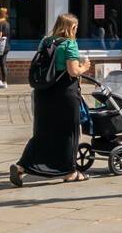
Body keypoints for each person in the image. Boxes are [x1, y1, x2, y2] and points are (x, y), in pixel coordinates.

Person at [10, 12, 89, 186]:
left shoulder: (45, 41)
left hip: (43, 93)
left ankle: (22, 166)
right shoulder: (70, 44)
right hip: (64, 93)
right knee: (69, 132)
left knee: (42, 133)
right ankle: (69, 172)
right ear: (72, 27)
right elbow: (73, 71)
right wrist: (85, 66)